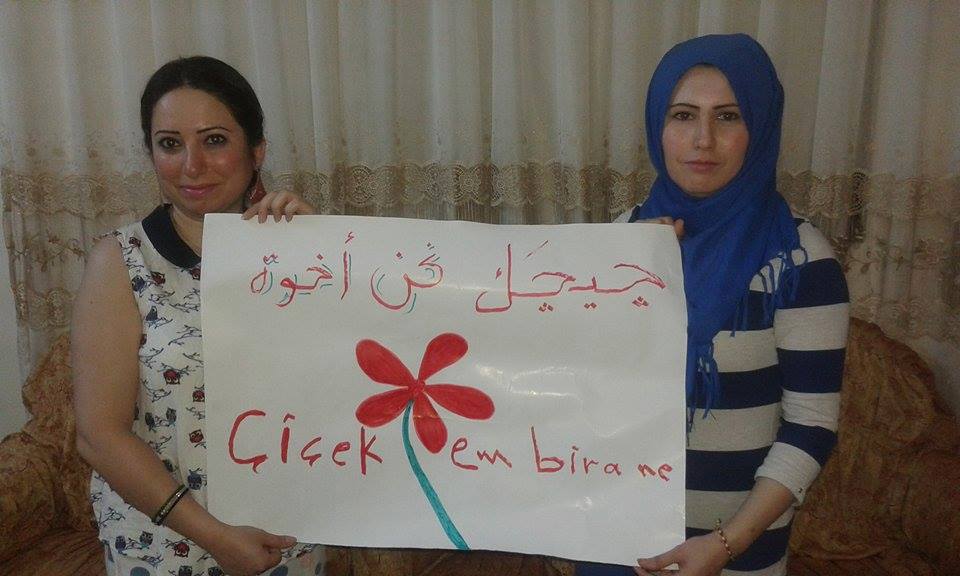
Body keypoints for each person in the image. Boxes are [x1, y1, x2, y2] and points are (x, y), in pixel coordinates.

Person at [581, 34, 849, 576]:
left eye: (727, 116)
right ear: (657, 127)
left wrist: (726, 545)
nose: (703, 139)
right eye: (683, 115)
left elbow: (811, 426)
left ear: (759, 128)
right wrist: (637, 275)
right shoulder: (621, 238)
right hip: (615, 539)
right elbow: (586, 383)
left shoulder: (798, 260)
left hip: (733, 556)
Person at [72, 56, 325, 576]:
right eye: (170, 143)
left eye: (214, 140)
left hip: (285, 538)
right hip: (165, 549)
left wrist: (323, 255)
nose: (192, 164)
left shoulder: (299, 252)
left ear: (256, 150)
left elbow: (348, 384)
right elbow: (98, 435)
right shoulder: (121, 262)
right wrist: (216, 537)